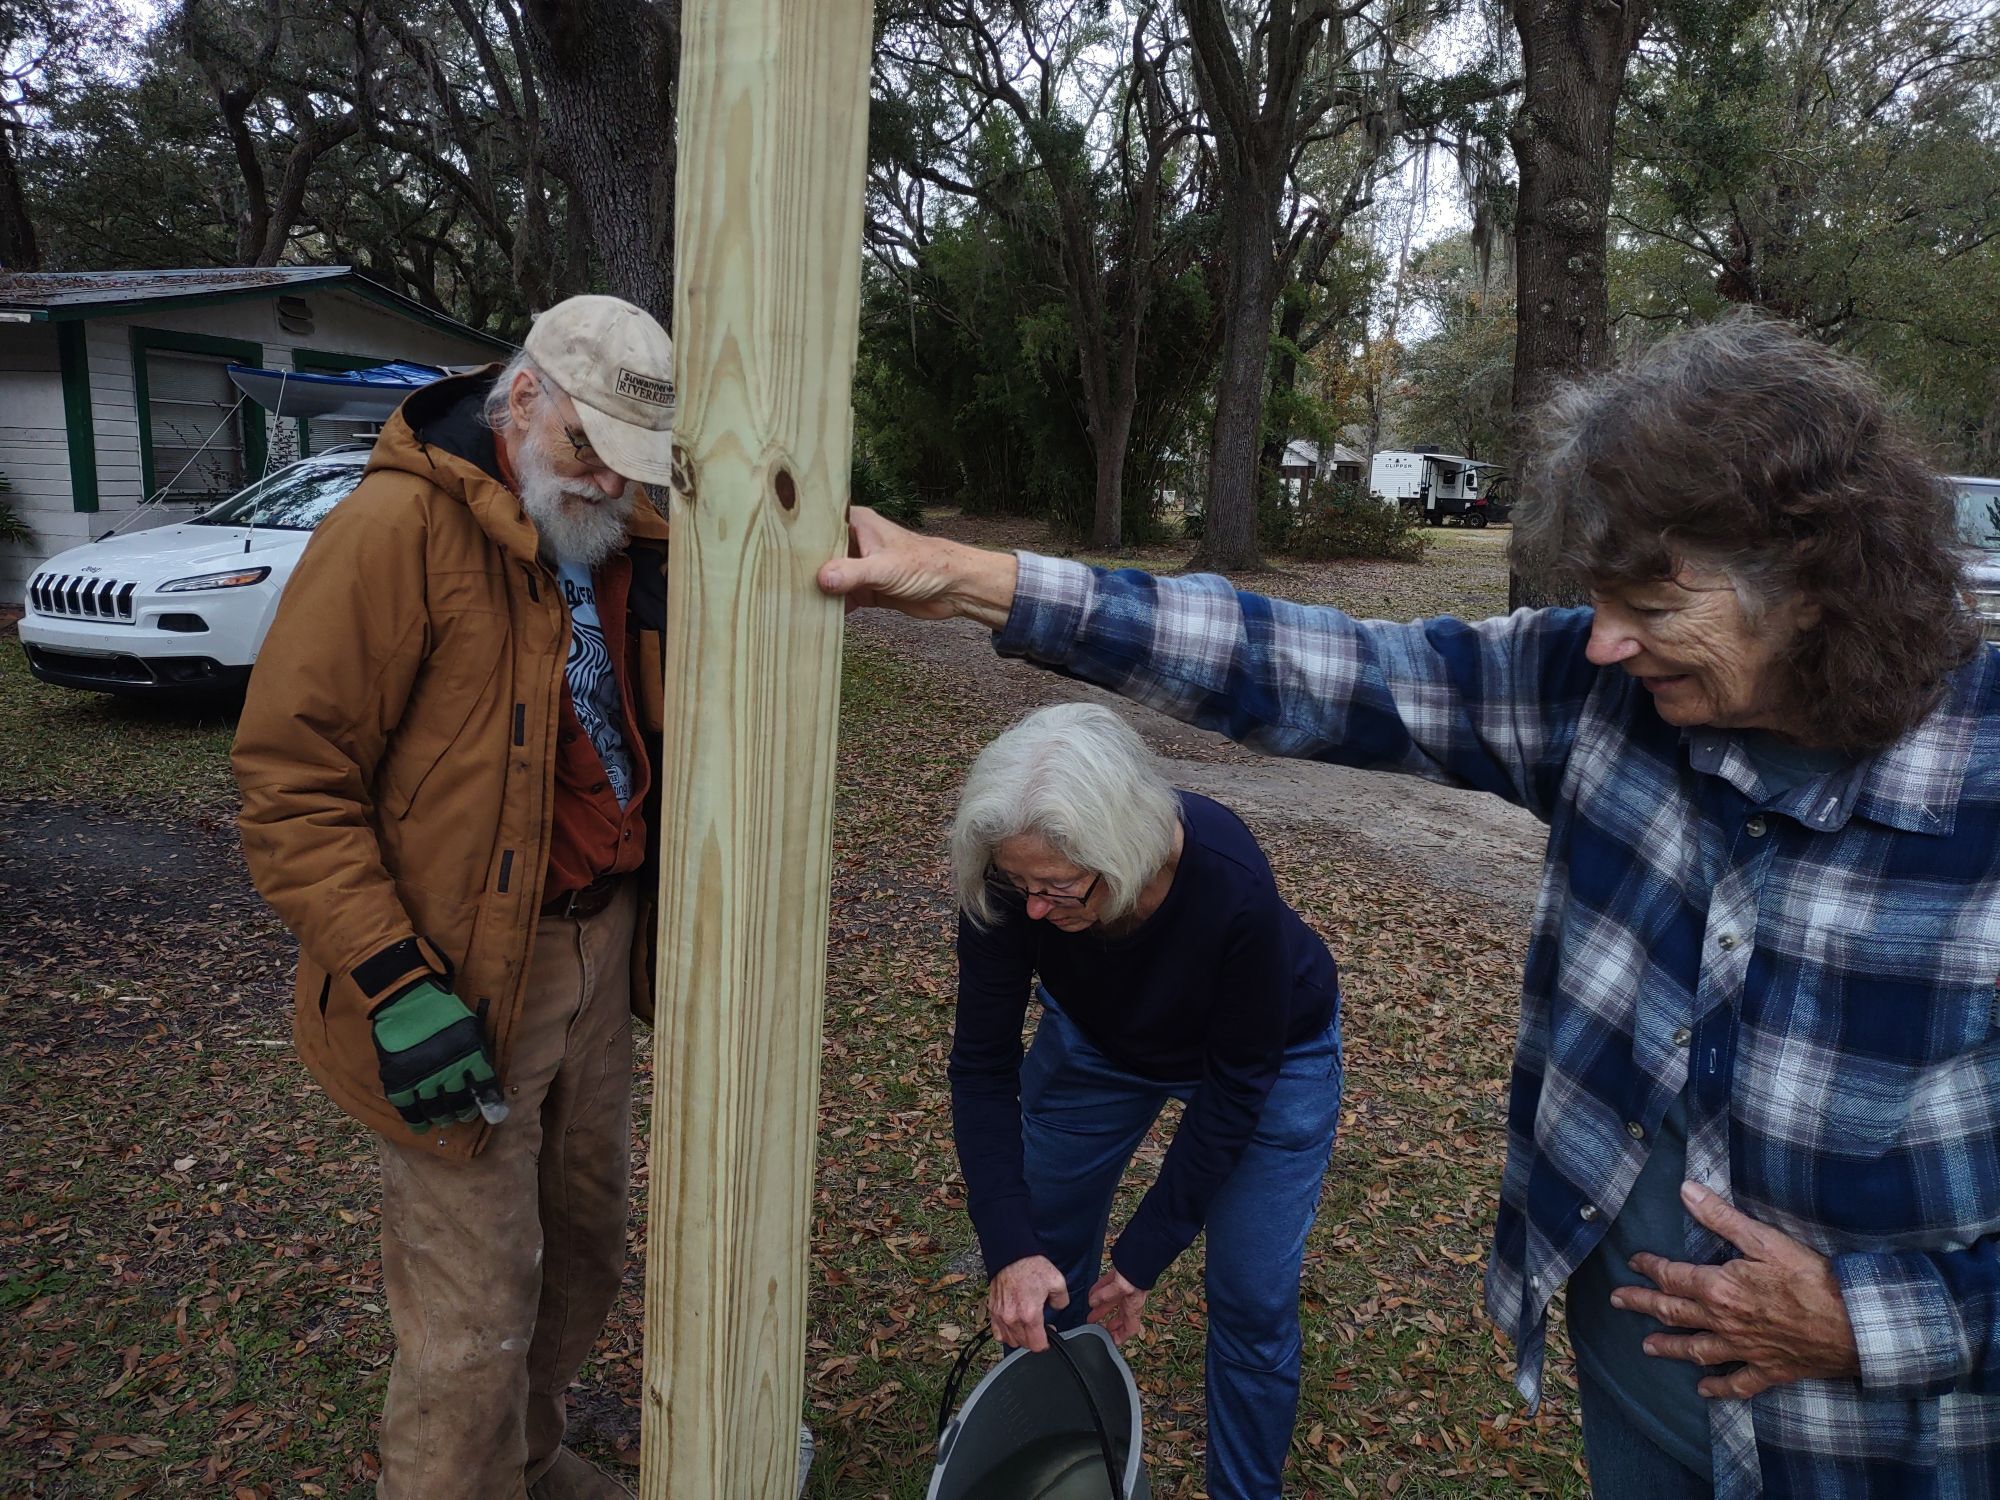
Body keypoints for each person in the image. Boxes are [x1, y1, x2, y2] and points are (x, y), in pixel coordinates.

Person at [822, 315, 2000, 1498]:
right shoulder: (1602, 702)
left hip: (1867, 1450)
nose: (1602, 642)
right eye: (1594, 599)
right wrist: (979, 582)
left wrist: (1868, 1323)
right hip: (1637, 1404)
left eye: (1650, 602)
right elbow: (1322, 668)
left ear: (1808, 578)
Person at [233, 295, 677, 1500]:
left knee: (580, 1247)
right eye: (591, 452)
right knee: (472, 1304)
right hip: (456, 974)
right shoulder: (393, 530)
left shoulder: (622, 535)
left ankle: (527, 1464)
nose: (607, 486)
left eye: (632, 467)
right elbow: (288, 776)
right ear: (522, 399)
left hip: (600, 943)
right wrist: (390, 979)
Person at [947, 702, 1342, 1500]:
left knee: (1252, 1297)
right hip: (1096, 1046)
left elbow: (1235, 1090)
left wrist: (1144, 1257)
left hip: (1272, 1057)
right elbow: (981, 1063)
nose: (1032, 908)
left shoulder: (1228, 882)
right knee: (1042, 1259)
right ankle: (1058, 1468)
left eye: (1057, 887)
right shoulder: (1011, 877)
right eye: (1019, 883)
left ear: (1122, 849)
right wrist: (1009, 1248)